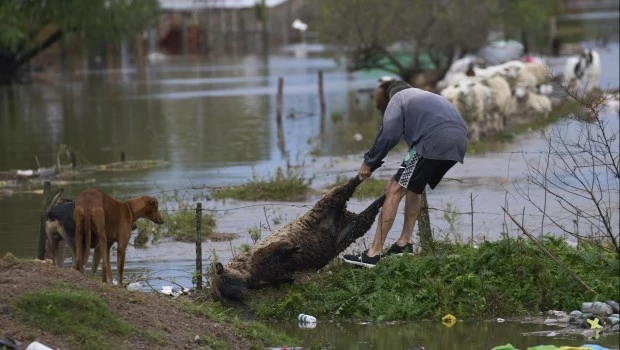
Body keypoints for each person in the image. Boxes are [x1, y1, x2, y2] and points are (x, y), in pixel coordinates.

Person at [342, 77, 468, 267]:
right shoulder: (425, 96)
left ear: (387, 95)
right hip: (459, 141)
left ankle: (373, 254)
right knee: (413, 187)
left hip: (432, 140)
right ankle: (404, 244)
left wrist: (369, 162)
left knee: (394, 188)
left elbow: (388, 136)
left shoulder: (398, 99)